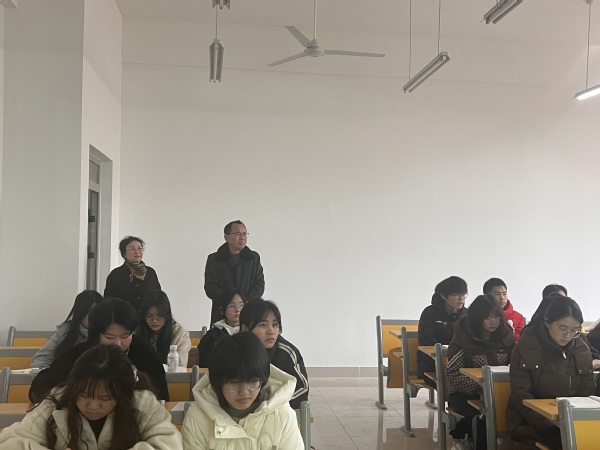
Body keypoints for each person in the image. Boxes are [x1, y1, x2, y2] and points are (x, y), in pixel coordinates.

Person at [1, 344, 182, 449]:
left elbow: (170, 444)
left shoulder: (141, 402)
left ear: (122, 394)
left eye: (105, 398)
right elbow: (10, 442)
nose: (93, 405)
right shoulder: (57, 401)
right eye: (84, 395)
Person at [29, 297, 169, 403]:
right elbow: (38, 390)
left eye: (125, 336)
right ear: (96, 334)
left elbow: (161, 395)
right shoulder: (80, 354)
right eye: (109, 337)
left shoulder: (145, 352)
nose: (118, 344)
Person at [181, 332, 304, 450]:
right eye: (234, 383)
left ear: (263, 380)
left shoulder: (282, 415)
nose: (244, 392)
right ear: (218, 382)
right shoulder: (197, 418)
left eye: (252, 381)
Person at [507, 296, 594, 450]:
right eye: (563, 329)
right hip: (531, 423)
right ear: (547, 322)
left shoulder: (581, 349)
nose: (568, 335)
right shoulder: (526, 347)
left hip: (572, 422)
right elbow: (521, 395)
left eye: (574, 330)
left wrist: (574, 423)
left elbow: (586, 393)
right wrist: (551, 427)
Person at [446, 294, 515, 450]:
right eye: (488, 317)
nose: (493, 321)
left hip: (500, 393)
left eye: (497, 317)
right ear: (477, 318)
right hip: (466, 394)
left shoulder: (506, 335)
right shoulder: (462, 337)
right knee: (482, 418)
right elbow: (453, 376)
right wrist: (483, 386)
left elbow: (516, 365)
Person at [239, 299, 308, 409]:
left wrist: (269, 406)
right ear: (245, 329)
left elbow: (302, 390)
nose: (271, 331)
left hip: (278, 412)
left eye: (275, 325)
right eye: (263, 325)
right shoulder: (235, 350)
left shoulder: (287, 353)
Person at [204, 220, 265, 325]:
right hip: (222, 312)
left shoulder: (253, 258)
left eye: (244, 234)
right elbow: (210, 287)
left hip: (248, 311)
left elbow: (259, 285)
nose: (242, 238)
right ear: (226, 237)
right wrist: (230, 303)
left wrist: (243, 303)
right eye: (238, 234)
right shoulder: (214, 259)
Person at [417, 276, 468, 388]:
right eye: (456, 294)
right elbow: (426, 342)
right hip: (433, 364)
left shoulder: (467, 314)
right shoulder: (429, 313)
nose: (461, 298)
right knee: (458, 383)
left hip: (461, 364)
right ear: (443, 296)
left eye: (464, 294)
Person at [31, 290, 103, 369]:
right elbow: (40, 359)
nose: (94, 318)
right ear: (80, 313)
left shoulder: (106, 333)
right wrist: (49, 375)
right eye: (89, 314)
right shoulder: (66, 330)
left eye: (97, 314)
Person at [104, 236, 161, 311]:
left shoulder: (150, 272)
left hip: (146, 316)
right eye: (132, 249)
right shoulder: (116, 274)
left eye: (140, 248)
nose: (137, 251)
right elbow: (108, 300)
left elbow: (158, 296)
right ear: (124, 253)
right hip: (124, 316)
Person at [138, 290, 192, 367]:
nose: (154, 320)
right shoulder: (135, 332)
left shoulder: (180, 334)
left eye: (159, 315)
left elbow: (180, 367)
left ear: (166, 315)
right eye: (149, 316)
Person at [198, 289, 246, 367]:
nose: (237, 310)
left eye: (241, 305)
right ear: (222, 310)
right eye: (232, 306)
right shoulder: (211, 336)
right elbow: (205, 364)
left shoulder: (250, 332)